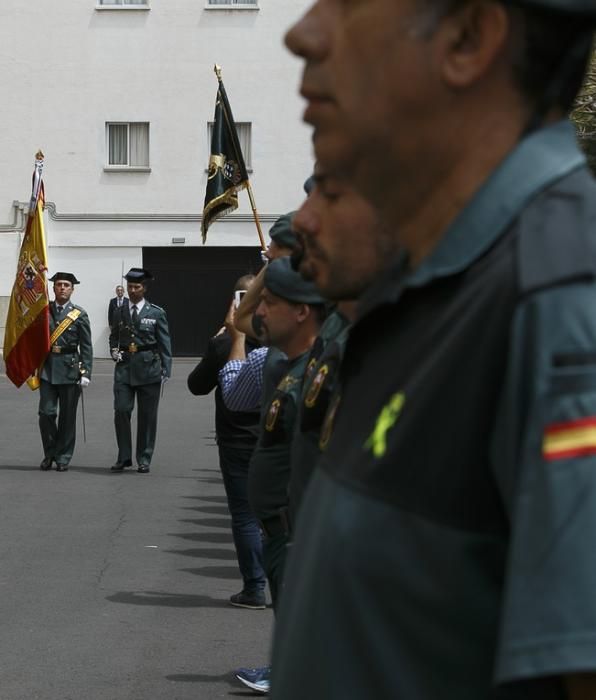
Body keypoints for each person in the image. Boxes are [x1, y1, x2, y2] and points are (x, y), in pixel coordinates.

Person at [273, 2, 596, 699]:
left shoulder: (562, 303)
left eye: (347, 3)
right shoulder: (437, 289)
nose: (303, 32)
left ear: (468, 39)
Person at [219, 257, 326, 695]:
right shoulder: (276, 357)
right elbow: (242, 322)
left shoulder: (319, 365)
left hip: (297, 521)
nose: (259, 310)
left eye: (272, 302)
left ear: (302, 311)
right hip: (278, 522)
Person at [187, 274, 267, 610]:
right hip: (274, 440)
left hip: (237, 441)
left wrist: (222, 340)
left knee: (245, 516)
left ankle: (254, 587)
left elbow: (197, 385)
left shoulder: (226, 345)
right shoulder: (282, 340)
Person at [109, 267, 172, 474]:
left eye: (136, 287)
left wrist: (166, 369)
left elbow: (164, 342)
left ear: (144, 288)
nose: (132, 291)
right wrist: (113, 350)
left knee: (147, 416)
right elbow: (114, 335)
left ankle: (144, 457)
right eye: (129, 287)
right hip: (125, 368)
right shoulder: (119, 310)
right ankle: (124, 456)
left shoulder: (156, 312)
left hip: (149, 369)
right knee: (121, 410)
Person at [39, 272, 92, 472]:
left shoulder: (79, 314)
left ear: (72, 289)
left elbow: (86, 346)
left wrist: (86, 372)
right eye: (59, 284)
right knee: (46, 413)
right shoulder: (44, 312)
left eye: (66, 285)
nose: (62, 288)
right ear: (53, 288)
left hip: (70, 370)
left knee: (68, 417)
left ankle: (63, 456)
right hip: (48, 369)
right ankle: (49, 453)